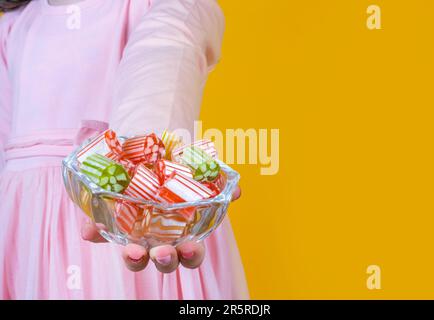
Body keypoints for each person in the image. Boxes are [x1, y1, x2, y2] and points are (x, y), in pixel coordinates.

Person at [0, 0, 248, 299]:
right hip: (26, 235)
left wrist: (144, 173)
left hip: (134, 219)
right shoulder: (12, 27)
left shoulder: (164, 5)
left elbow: (164, 51)